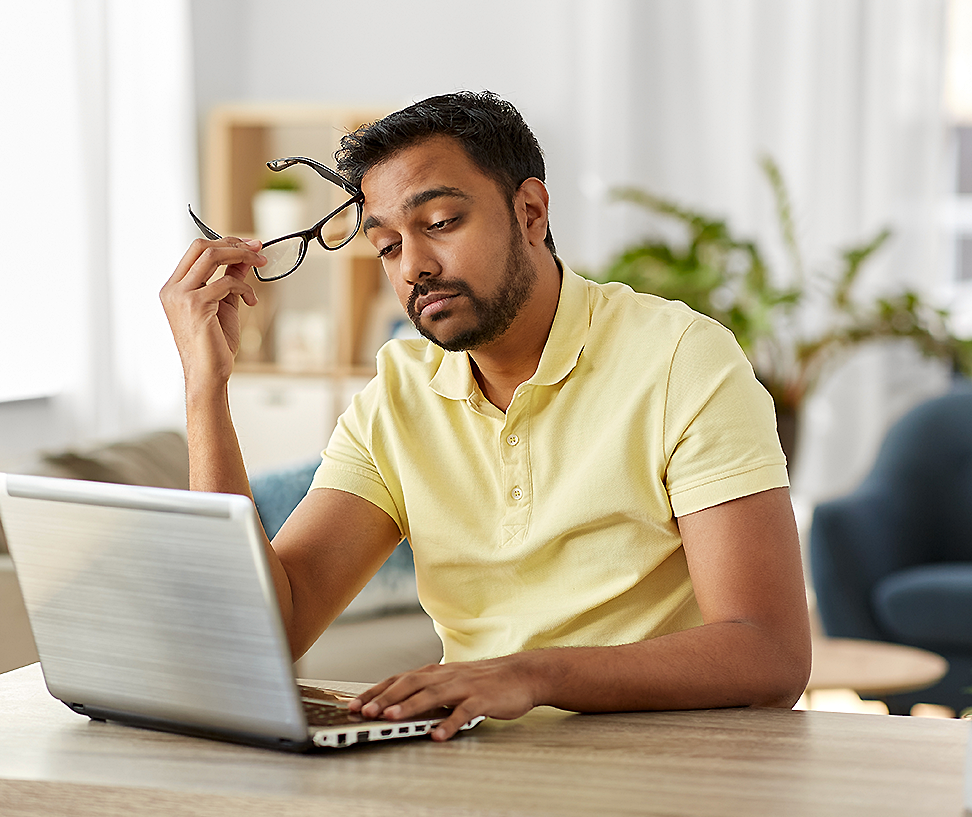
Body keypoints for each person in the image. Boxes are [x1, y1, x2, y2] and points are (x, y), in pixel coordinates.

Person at [160, 91, 811, 741]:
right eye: (386, 246)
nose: (414, 265)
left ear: (530, 211)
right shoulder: (398, 395)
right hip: (473, 769)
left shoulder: (679, 359)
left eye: (440, 222)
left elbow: (769, 654)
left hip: (664, 772)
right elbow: (262, 632)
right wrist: (205, 388)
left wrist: (529, 677)